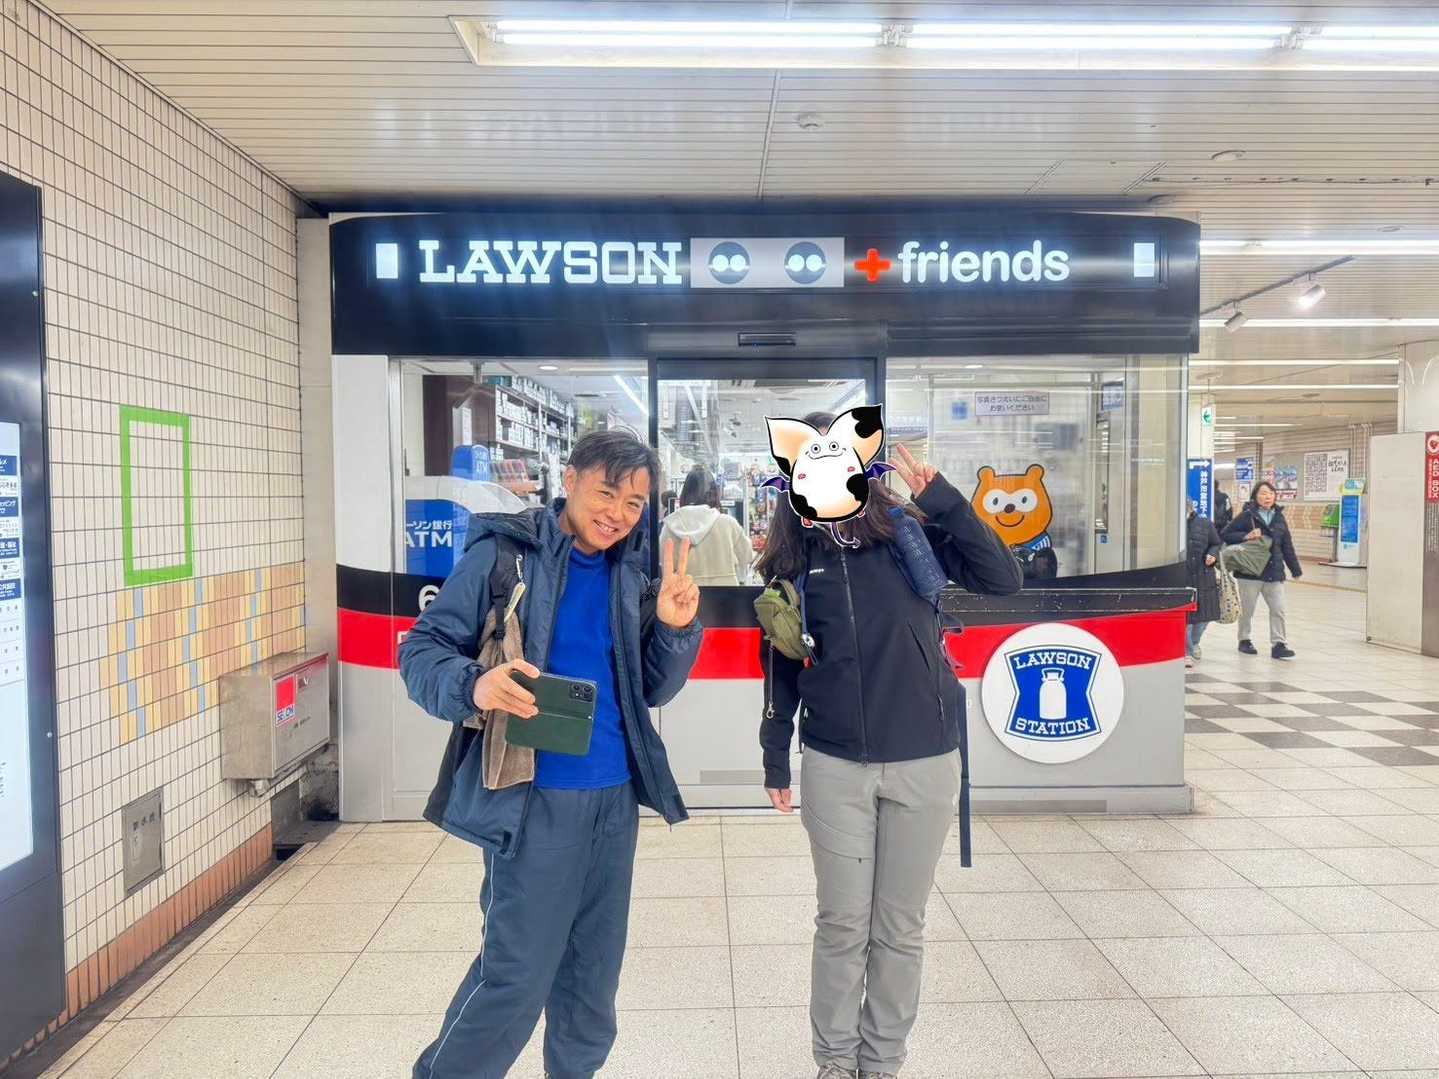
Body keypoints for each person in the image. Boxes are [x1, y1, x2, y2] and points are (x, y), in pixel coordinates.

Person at [399, 430, 703, 1079]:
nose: (617, 514)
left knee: (592, 978)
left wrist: (677, 631)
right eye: (606, 493)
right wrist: (474, 684)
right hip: (532, 798)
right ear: (569, 480)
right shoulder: (504, 556)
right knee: (516, 975)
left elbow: (651, 687)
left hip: (614, 799)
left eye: (633, 503)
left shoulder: (631, 571)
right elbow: (420, 650)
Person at [757, 421, 1022, 1079]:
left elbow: (1002, 578)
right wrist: (774, 754)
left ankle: (881, 1063)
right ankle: (834, 1062)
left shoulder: (910, 535)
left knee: (899, 926)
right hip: (834, 763)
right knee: (842, 924)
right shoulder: (793, 560)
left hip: (924, 759)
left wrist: (945, 502)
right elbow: (782, 664)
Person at [1221, 479, 1302, 659]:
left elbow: (1287, 545)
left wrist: (1295, 569)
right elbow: (1225, 534)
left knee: (1278, 609)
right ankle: (1244, 639)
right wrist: (1246, 536)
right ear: (1255, 497)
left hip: (1274, 571)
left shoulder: (1279, 517)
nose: (1268, 497)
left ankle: (1279, 644)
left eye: (1271, 493)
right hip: (1250, 572)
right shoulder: (1247, 516)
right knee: (1247, 609)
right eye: (1263, 493)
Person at [659, 464, 754, 586]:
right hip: (727, 593)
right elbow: (747, 556)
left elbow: (664, 565)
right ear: (714, 493)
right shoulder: (728, 524)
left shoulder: (670, 527)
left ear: (685, 492)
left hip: (684, 593)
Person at [1185, 499, 1223, 666]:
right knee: (1186, 619)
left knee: (1204, 617)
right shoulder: (1171, 525)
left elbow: (1216, 543)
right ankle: (1186, 651)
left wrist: (1212, 554)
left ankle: (1194, 643)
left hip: (1204, 575)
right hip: (1183, 576)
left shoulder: (1204, 523)